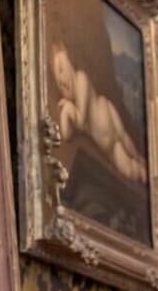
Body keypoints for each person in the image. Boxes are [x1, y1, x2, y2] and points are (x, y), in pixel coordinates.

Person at [51, 41, 147, 184]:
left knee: (124, 137)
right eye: (58, 79)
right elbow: (66, 135)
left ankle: (141, 160)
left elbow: (81, 120)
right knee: (130, 171)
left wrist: (69, 108)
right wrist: (66, 111)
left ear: (69, 64)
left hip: (106, 112)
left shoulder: (81, 78)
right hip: (108, 144)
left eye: (61, 69)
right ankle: (143, 171)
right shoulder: (71, 100)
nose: (61, 79)